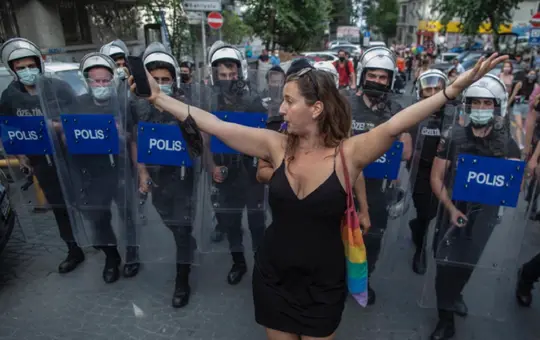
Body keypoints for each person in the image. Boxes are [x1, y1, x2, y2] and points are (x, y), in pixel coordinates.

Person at [130, 52, 507, 340]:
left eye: (289, 101)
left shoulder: (349, 154)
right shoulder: (275, 145)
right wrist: (161, 97)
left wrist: (450, 91)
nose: (280, 108)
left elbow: (397, 124)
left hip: (323, 284)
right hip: (273, 276)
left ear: (316, 108)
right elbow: (213, 123)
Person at [429, 72, 518, 340]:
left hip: (484, 216)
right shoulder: (453, 135)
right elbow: (436, 177)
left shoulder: (506, 142)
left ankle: (455, 295)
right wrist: (450, 208)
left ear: (498, 106)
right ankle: (445, 320)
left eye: (487, 103)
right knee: (444, 265)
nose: (480, 109)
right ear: (467, 106)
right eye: (476, 103)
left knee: (467, 263)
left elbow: (513, 181)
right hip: (451, 211)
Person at [0, 38, 84, 273]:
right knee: (59, 206)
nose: (27, 72)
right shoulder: (9, 96)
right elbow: (8, 128)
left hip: (69, 156)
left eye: (30, 65)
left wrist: (56, 126)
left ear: (39, 64)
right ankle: (73, 249)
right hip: (41, 160)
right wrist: (21, 154)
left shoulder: (59, 88)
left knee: (83, 200)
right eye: (21, 68)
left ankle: (98, 240)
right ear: (13, 70)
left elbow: (78, 118)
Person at [132, 42, 204, 308]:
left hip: (183, 178)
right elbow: (135, 142)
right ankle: (185, 240)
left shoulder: (185, 105)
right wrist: (141, 173)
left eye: (165, 79)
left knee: (182, 229)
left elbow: (199, 142)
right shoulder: (137, 106)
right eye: (156, 79)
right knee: (170, 222)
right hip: (156, 178)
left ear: (173, 80)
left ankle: (181, 280)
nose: (160, 83)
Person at [70, 52, 139, 283]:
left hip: (121, 169)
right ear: (87, 83)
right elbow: (69, 135)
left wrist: (138, 169)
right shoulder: (77, 105)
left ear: (113, 80)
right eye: (96, 81)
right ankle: (112, 257)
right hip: (94, 172)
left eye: (105, 80)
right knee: (99, 217)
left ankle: (132, 252)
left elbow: (134, 138)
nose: (101, 85)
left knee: (128, 214)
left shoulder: (123, 103)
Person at [352, 46, 413, 304]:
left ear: (390, 81)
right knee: (338, 235)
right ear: (362, 75)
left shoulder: (396, 110)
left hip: (379, 189)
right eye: (373, 75)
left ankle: (362, 281)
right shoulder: (345, 104)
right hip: (345, 185)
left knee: (372, 238)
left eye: (383, 77)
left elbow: (407, 152)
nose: (377, 81)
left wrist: (396, 135)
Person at [206, 42, 267, 285]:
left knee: (256, 221)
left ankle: (262, 265)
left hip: (250, 171)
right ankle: (238, 262)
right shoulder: (209, 101)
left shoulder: (252, 100)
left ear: (240, 74)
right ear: (214, 75)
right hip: (224, 170)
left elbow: (264, 136)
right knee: (230, 221)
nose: (228, 79)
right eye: (222, 75)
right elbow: (202, 139)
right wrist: (211, 167)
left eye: (232, 74)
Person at [407, 69, 451, 275]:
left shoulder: (453, 114)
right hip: (420, 171)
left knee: (436, 212)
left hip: (445, 171)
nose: (433, 93)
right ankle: (420, 248)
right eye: (428, 89)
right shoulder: (413, 113)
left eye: (437, 88)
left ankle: (419, 226)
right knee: (425, 212)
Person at [509, 69, 537, 149]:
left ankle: (515, 138)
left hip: (528, 107)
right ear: (527, 74)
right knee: (519, 126)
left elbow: (535, 99)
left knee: (522, 127)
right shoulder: (520, 83)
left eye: (534, 74)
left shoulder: (535, 86)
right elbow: (513, 94)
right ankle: (519, 144)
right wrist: (507, 105)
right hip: (518, 106)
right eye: (531, 73)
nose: (532, 75)